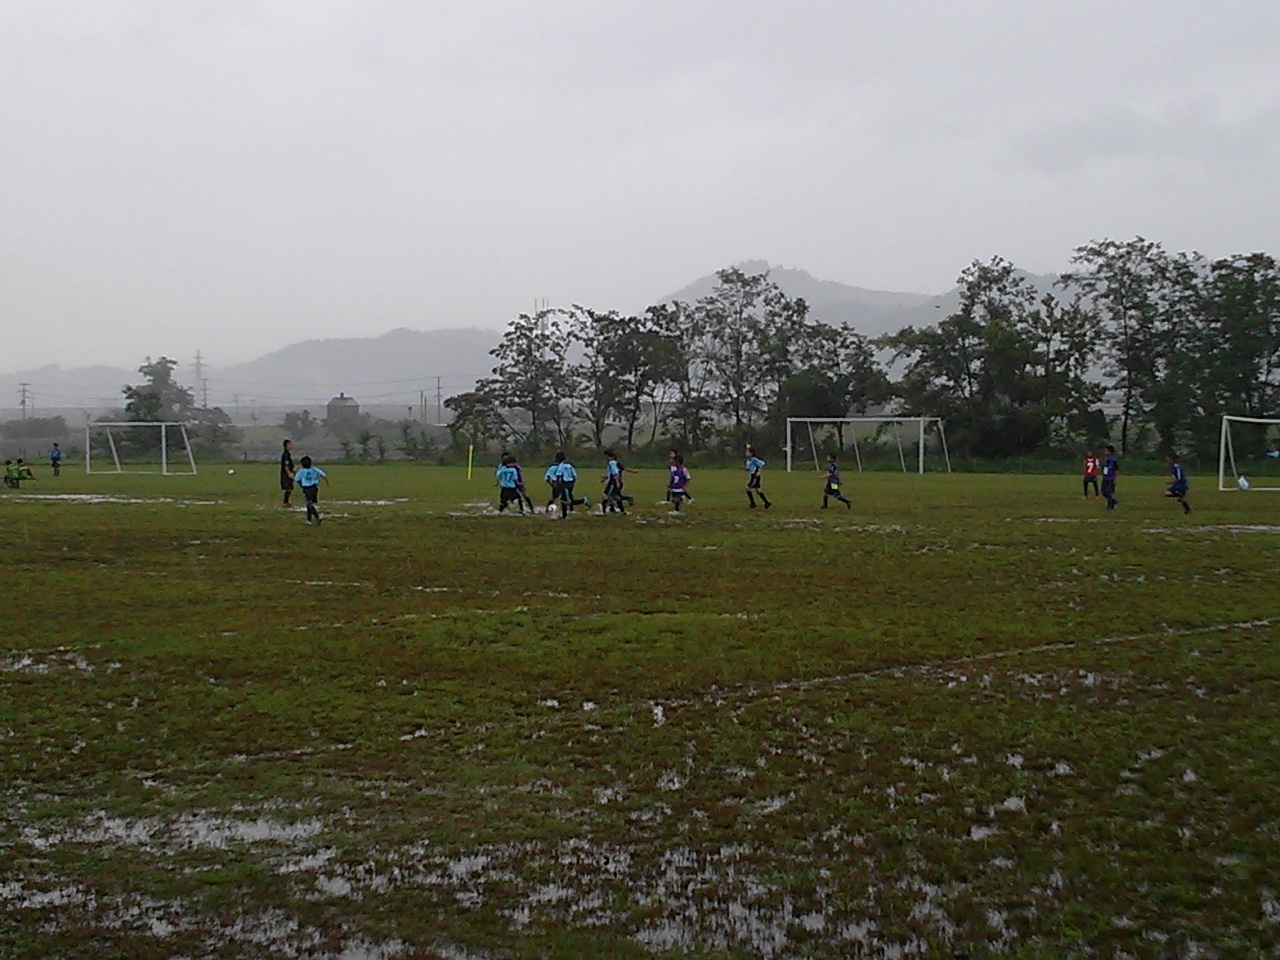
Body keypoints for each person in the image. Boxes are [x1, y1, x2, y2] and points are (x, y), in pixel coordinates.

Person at [548, 451, 589, 519]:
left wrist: (556, 485)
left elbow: (558, 476)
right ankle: (564, 516)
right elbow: (575, 475)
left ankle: (583, 501)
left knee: (566, 501)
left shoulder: (560, 466)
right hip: (571, 484)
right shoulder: (569, 465)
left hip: (565, 484)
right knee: (563, 500)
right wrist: (572, 483)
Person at [293, 455, 328, 525]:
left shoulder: (301, 471)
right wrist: (327, 483)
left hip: (307, 489)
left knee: (309, 504)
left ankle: (318, 516)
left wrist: (301, 484)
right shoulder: (314, 469)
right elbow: (323, 475)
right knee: (309, 504)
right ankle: (309, 520)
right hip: (314, 488)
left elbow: (297, 479)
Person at [744, 445, 772, 509]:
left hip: (755, 476)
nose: (746, 453)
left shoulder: (754, 459)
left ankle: (753, 504)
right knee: (758, 490)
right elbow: (749, 468)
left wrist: (759, 472)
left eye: (747, 452)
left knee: (748, 488)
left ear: (751, 453)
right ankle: (766, 502)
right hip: (752, 475)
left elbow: (761, 464)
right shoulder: (748, 460)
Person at [1100, 444, 1119, 511]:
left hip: (1110, 478)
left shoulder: (1113, 460)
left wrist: (1115, 479)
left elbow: (1116, 470)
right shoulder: (1105, 459)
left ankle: (1109, 506)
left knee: (1108, 492)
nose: (1104, 452)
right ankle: (1113, 501)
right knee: (1103, 492)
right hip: (1105, 478)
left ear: (1110, 452)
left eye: (1106, 451)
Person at [280, 439, 296, 508]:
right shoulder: (285, 455)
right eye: (290, 445)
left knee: (290, 487)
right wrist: (289, 473)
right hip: (286, 474)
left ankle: (286, 502)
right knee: (288, 488)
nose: (291, 446)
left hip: (289, 473)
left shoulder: (288, 454)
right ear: (286, 446)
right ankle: (285, 502)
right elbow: (286, 466)